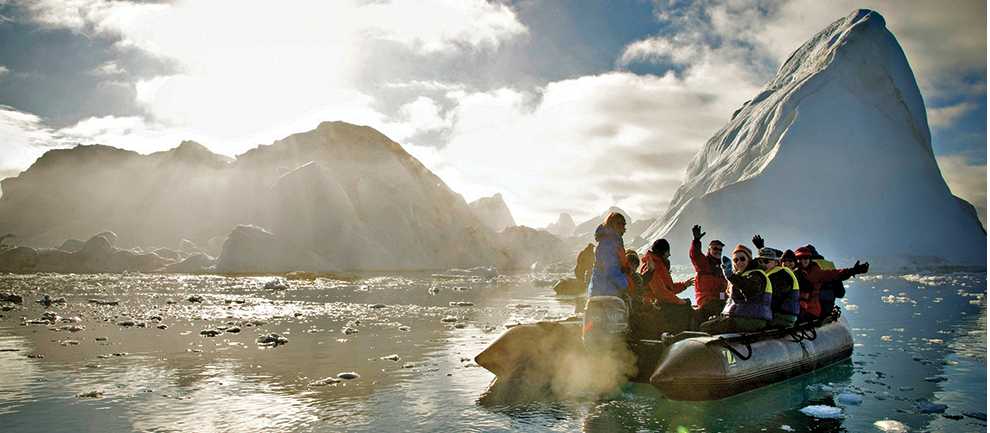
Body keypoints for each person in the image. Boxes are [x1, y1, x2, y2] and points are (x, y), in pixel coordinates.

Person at [583, 212, 632, 350]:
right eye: (622, 225)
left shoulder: (610, 242)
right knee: (612, 330)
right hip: (606, 291)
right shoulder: (609, 244)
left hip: (601, 290)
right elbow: (611, 270)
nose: (624, 229)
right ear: (615, 225)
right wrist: (625, 284)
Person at [699, 244, 771, 334]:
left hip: (753, 319)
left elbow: (750, 290)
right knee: (707, 323)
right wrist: (722, 316)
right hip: (742, 317)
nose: (739, 262)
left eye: (742, 259)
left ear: (749, 260)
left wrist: (731, 276)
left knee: (705, 327)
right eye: (735, 260)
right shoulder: (739, 276)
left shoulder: (756, 275)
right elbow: (734, 301)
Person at [794, 246, 869, 322]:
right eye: (799, 259)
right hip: (799, 308)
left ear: (810, 259)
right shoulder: (795, 272)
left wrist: (853, 271)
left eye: (805, 258)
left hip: (810, 310)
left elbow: (835, 274)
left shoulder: (815, 272)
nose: (802, 261)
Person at [753, 237, 800, 328]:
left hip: (782, 316)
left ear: (776, 262)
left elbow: (774, 299)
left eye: (766, 261)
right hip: (778, 314)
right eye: (760, 261)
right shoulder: (770, 274)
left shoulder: (781, 275)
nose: (762, 264)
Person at [689, 225, 728, 328]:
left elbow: (722, 289)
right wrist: (696, 241)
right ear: (709, 249)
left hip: (716, 303)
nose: (718, 251)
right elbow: (695, 255)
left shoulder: (720, 269)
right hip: (705, 301)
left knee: (727, 308)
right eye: (715, 248)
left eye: (720, 250)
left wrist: (723, 301)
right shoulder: (704, 263)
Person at [639, 239, 694, 305]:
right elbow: (660, 292)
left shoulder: (660, 266)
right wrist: (678, 301)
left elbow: (669, 289)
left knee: (687, 303)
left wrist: (684, 285)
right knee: (687, 306)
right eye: (668, 251)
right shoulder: (652, 266)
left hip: (661, 303)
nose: (669, 254)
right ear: (662, 252)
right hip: (655, 305)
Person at [802, 245, 845, 316]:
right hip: (827, 308)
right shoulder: (829, 266)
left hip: (808, 309)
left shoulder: (804, 267)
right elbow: (840, 293)